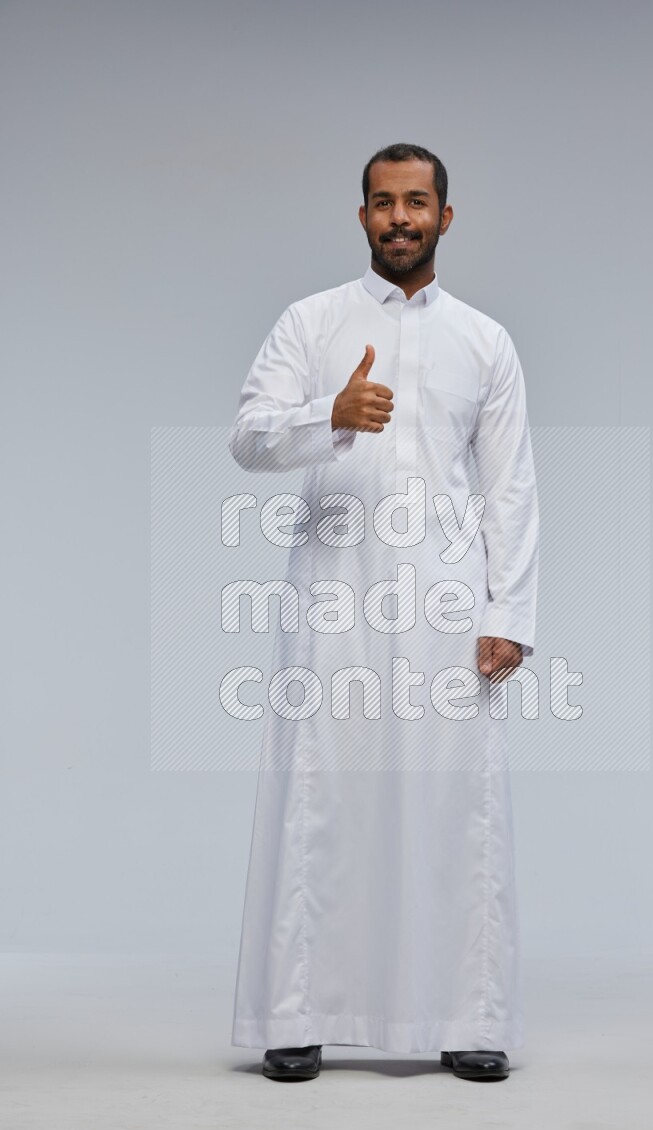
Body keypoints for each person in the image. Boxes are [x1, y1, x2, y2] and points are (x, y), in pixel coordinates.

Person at [227, 143, 540, 1082]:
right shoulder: (311, 322)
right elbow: (248, 438)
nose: (400, 217)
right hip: (334, 596)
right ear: (361, 215)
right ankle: (297, 1014)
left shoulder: (485, 341)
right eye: (382, 202)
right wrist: (329, 414)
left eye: (416, 202)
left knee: (455, 799)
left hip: (448, 604)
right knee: (322, 795)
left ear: (446, 215)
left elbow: (510, 487)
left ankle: (468, 1017)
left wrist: (510, 611)